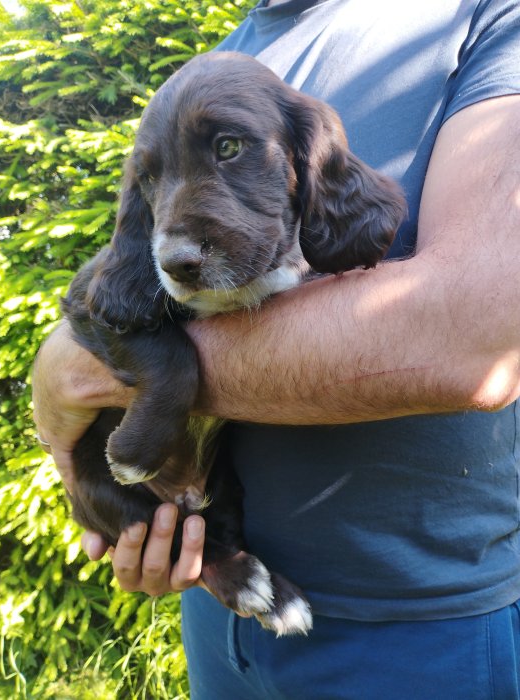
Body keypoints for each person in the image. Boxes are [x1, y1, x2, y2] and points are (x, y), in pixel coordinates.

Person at [33, 0, 520, 697]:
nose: (176, 240)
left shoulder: (484, 16)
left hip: (416, 625)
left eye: (229, 148)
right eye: (155, 179)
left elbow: (476, 343)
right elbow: (109, 298)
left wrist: (76, 372)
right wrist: (69, 372)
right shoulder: (226, 52)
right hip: (219, 608)